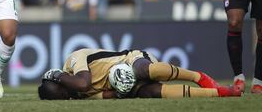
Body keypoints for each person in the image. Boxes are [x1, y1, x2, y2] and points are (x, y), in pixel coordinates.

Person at [38, 48, 241, 100]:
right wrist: (121, 92)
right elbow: (107, 95)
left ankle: (200, 77)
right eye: (64, 98)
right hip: (121, 83)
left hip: (131, 59)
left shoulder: (73, 61)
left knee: (144, 70)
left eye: (64, 93)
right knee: (150, 93)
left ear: (63, 79)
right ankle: (221, 93)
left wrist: (57, 75)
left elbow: (82, 83)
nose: (69, 98)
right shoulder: (78, 95)